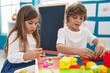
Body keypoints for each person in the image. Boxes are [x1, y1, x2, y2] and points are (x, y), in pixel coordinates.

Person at [1, 5, 42, 73]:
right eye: (30, 23)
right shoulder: (15, 35)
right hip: (15, 66)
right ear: (21, 22)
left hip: (29, 64)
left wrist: (36, 55)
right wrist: (26, 56)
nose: (34, 26)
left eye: (36, 23)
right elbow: (11, 56)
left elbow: (31, 52)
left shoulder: (32, 35)